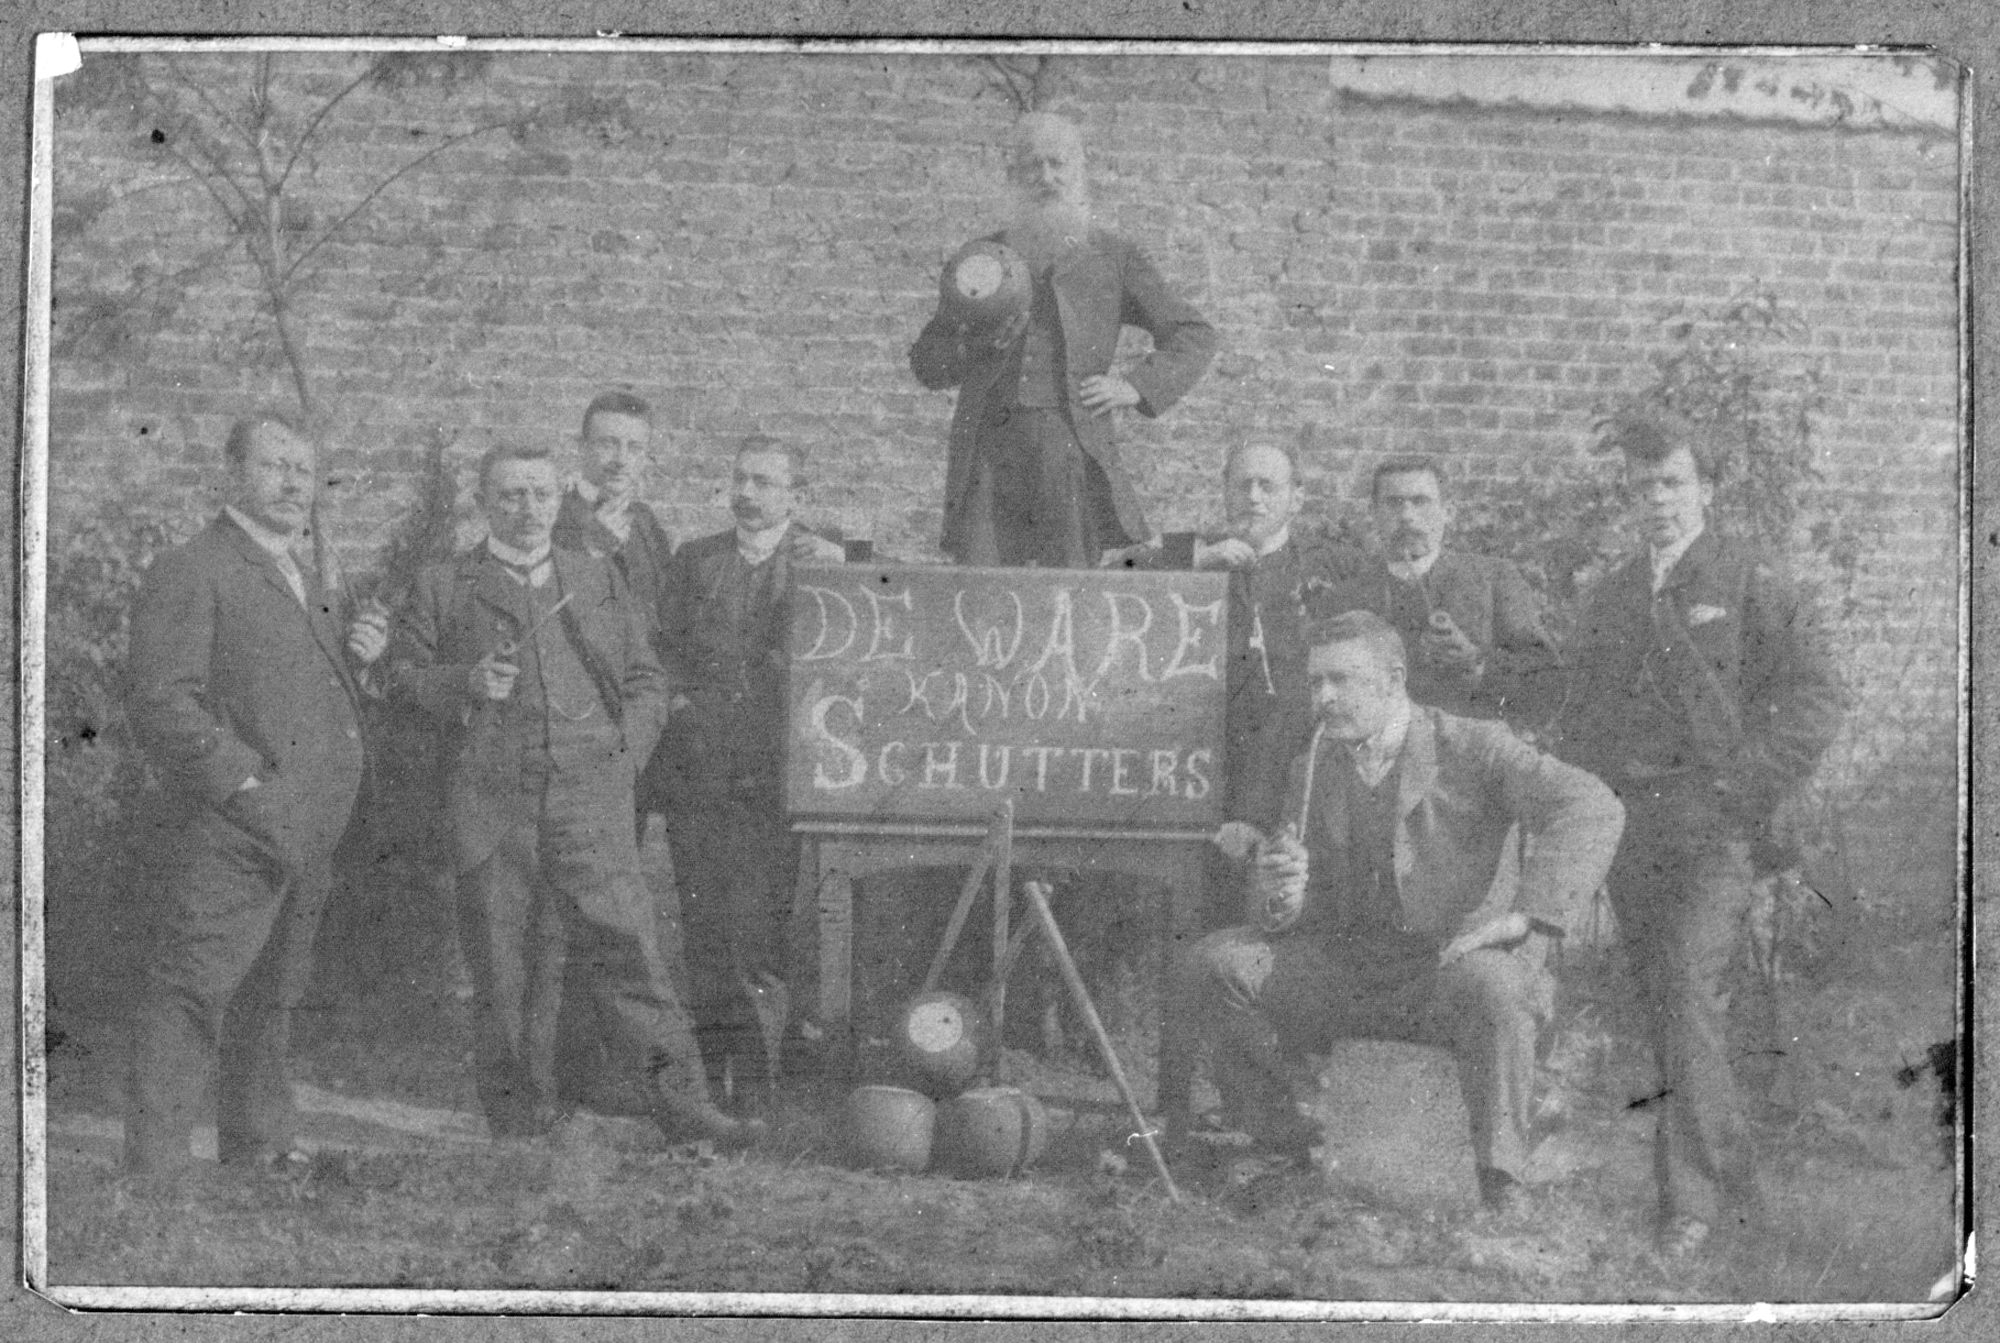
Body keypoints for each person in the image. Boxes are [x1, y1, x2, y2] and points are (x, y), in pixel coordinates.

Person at [389, 442, 759, 1148]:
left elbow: (648, 681)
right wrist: (463, 681)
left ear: (559, 497)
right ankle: (519, 1125)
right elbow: (401, 679)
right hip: (495, 804)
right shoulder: (445, 583)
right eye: (509, 495)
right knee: (503, 970)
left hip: (589, 801)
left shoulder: (594, 576)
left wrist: (624, 758)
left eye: (538, 493)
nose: (526, 508)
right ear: (483, 502)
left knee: (631, 955)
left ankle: (685, 1110)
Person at [1190, 611, 1623, 1211]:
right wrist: (1281, 899)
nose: (1324, 698)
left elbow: (1592, 805)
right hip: (1351, 970)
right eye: (1315, 683)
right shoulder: (1313, 763)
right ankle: (1281, 1144)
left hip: (1448, 970)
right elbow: (1296, 903)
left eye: (1341, 681)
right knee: (1217, 965)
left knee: (1497, 987)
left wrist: (1529, 915)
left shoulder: (1473, 747)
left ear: (1394, 680)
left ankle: (1502, 1180)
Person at [1553, 411, 1840, 1254]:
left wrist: (1739, 787)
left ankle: (1691, 1206)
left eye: (1673, 482)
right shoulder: (1612, 593)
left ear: (1706, 488)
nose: (1657, 500)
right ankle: (1732, 1174)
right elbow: (1584, 714)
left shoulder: (1753, 581)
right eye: (1643, 486)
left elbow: (1819, 696)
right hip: (1632, 833)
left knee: (1686, 986)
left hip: (1716, 832)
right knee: (1666, 1005)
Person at [122, 415, 388, 1175]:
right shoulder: (194, 566)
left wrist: (359, 664)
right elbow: (162, 701)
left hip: (303, 828)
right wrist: (245, 783)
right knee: (192, 987)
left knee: (273, 990)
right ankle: (158, 1163)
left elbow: (300, 694)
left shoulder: (300, 571)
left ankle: (259, 1141)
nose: (293, 483)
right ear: (232, 471)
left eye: (304, 470)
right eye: (275, 466)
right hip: (233, 826)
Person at [909, 111, 1217, 568]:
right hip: (990, 455)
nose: (1045, 178)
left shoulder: (1113, 257)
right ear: (1013, 176)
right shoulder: (980, 259)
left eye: (1058, 165)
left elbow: (1194, 334)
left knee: (1071, 592)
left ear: (1080, 172)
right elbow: (928, 362)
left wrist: (1134, 386)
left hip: (1071, 446)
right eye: (1032, 166)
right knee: (982, 591)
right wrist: (976, 347)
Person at [656, 435, 846, 1106]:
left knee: (759, 937)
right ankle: (712, 1090)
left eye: (765, 482)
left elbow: (885, 611)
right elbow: (662, 651)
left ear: (794, 494)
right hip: (700, 777)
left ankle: (759, 1097)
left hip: (773, 781)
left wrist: (847, 561)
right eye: (740, 479)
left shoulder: (821, 558)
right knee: (706, 935)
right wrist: (680, 706)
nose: (748, 493)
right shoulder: (695, 560)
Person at [1101, 441, 1349, 912]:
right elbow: (1109, 573)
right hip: (1202, 758)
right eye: (1243, 486)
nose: (1253, 498)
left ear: (1296, 499)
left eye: (1267, 486)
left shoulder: (1325, 564)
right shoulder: (1189, 549)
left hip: (1289, 759)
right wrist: (1197, 563)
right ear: (1225, 492)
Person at [1317, 456, 1562, 728]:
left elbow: (1547, 683)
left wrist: (1477, 664)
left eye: (1420, 502)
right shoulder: (1345, 599)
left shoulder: (1493, 579)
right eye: (1394, 503)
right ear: (1373, 512)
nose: (1407, 516)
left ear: (1448, 511)